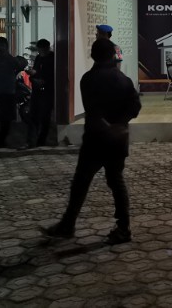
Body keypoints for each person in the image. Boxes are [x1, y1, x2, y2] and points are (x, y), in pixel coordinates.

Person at [42, 38, 141, 245]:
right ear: (112, 55)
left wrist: (107, 126)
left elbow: (92, 110)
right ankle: (123, 228)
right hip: (118, 140)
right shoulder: (123, 79)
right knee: (116, 182)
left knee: (81, 182)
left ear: (93, 55)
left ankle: (68, 225)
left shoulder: (88, 79)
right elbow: (135, 107)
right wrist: (119, 124)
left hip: (95, 140)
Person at [22, 39, 54, 148]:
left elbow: (53, 74)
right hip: (37, 90)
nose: (41, 52)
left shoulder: (53, 58)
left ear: (47, 48)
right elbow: (36, 71)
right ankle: (31, 141)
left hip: (48, 91)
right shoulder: (38, 58)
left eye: (43, 50)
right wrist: (33, 76)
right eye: (40, 50)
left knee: (45, 117)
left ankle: (41, 141)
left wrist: (44, 81)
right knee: (33, 115)